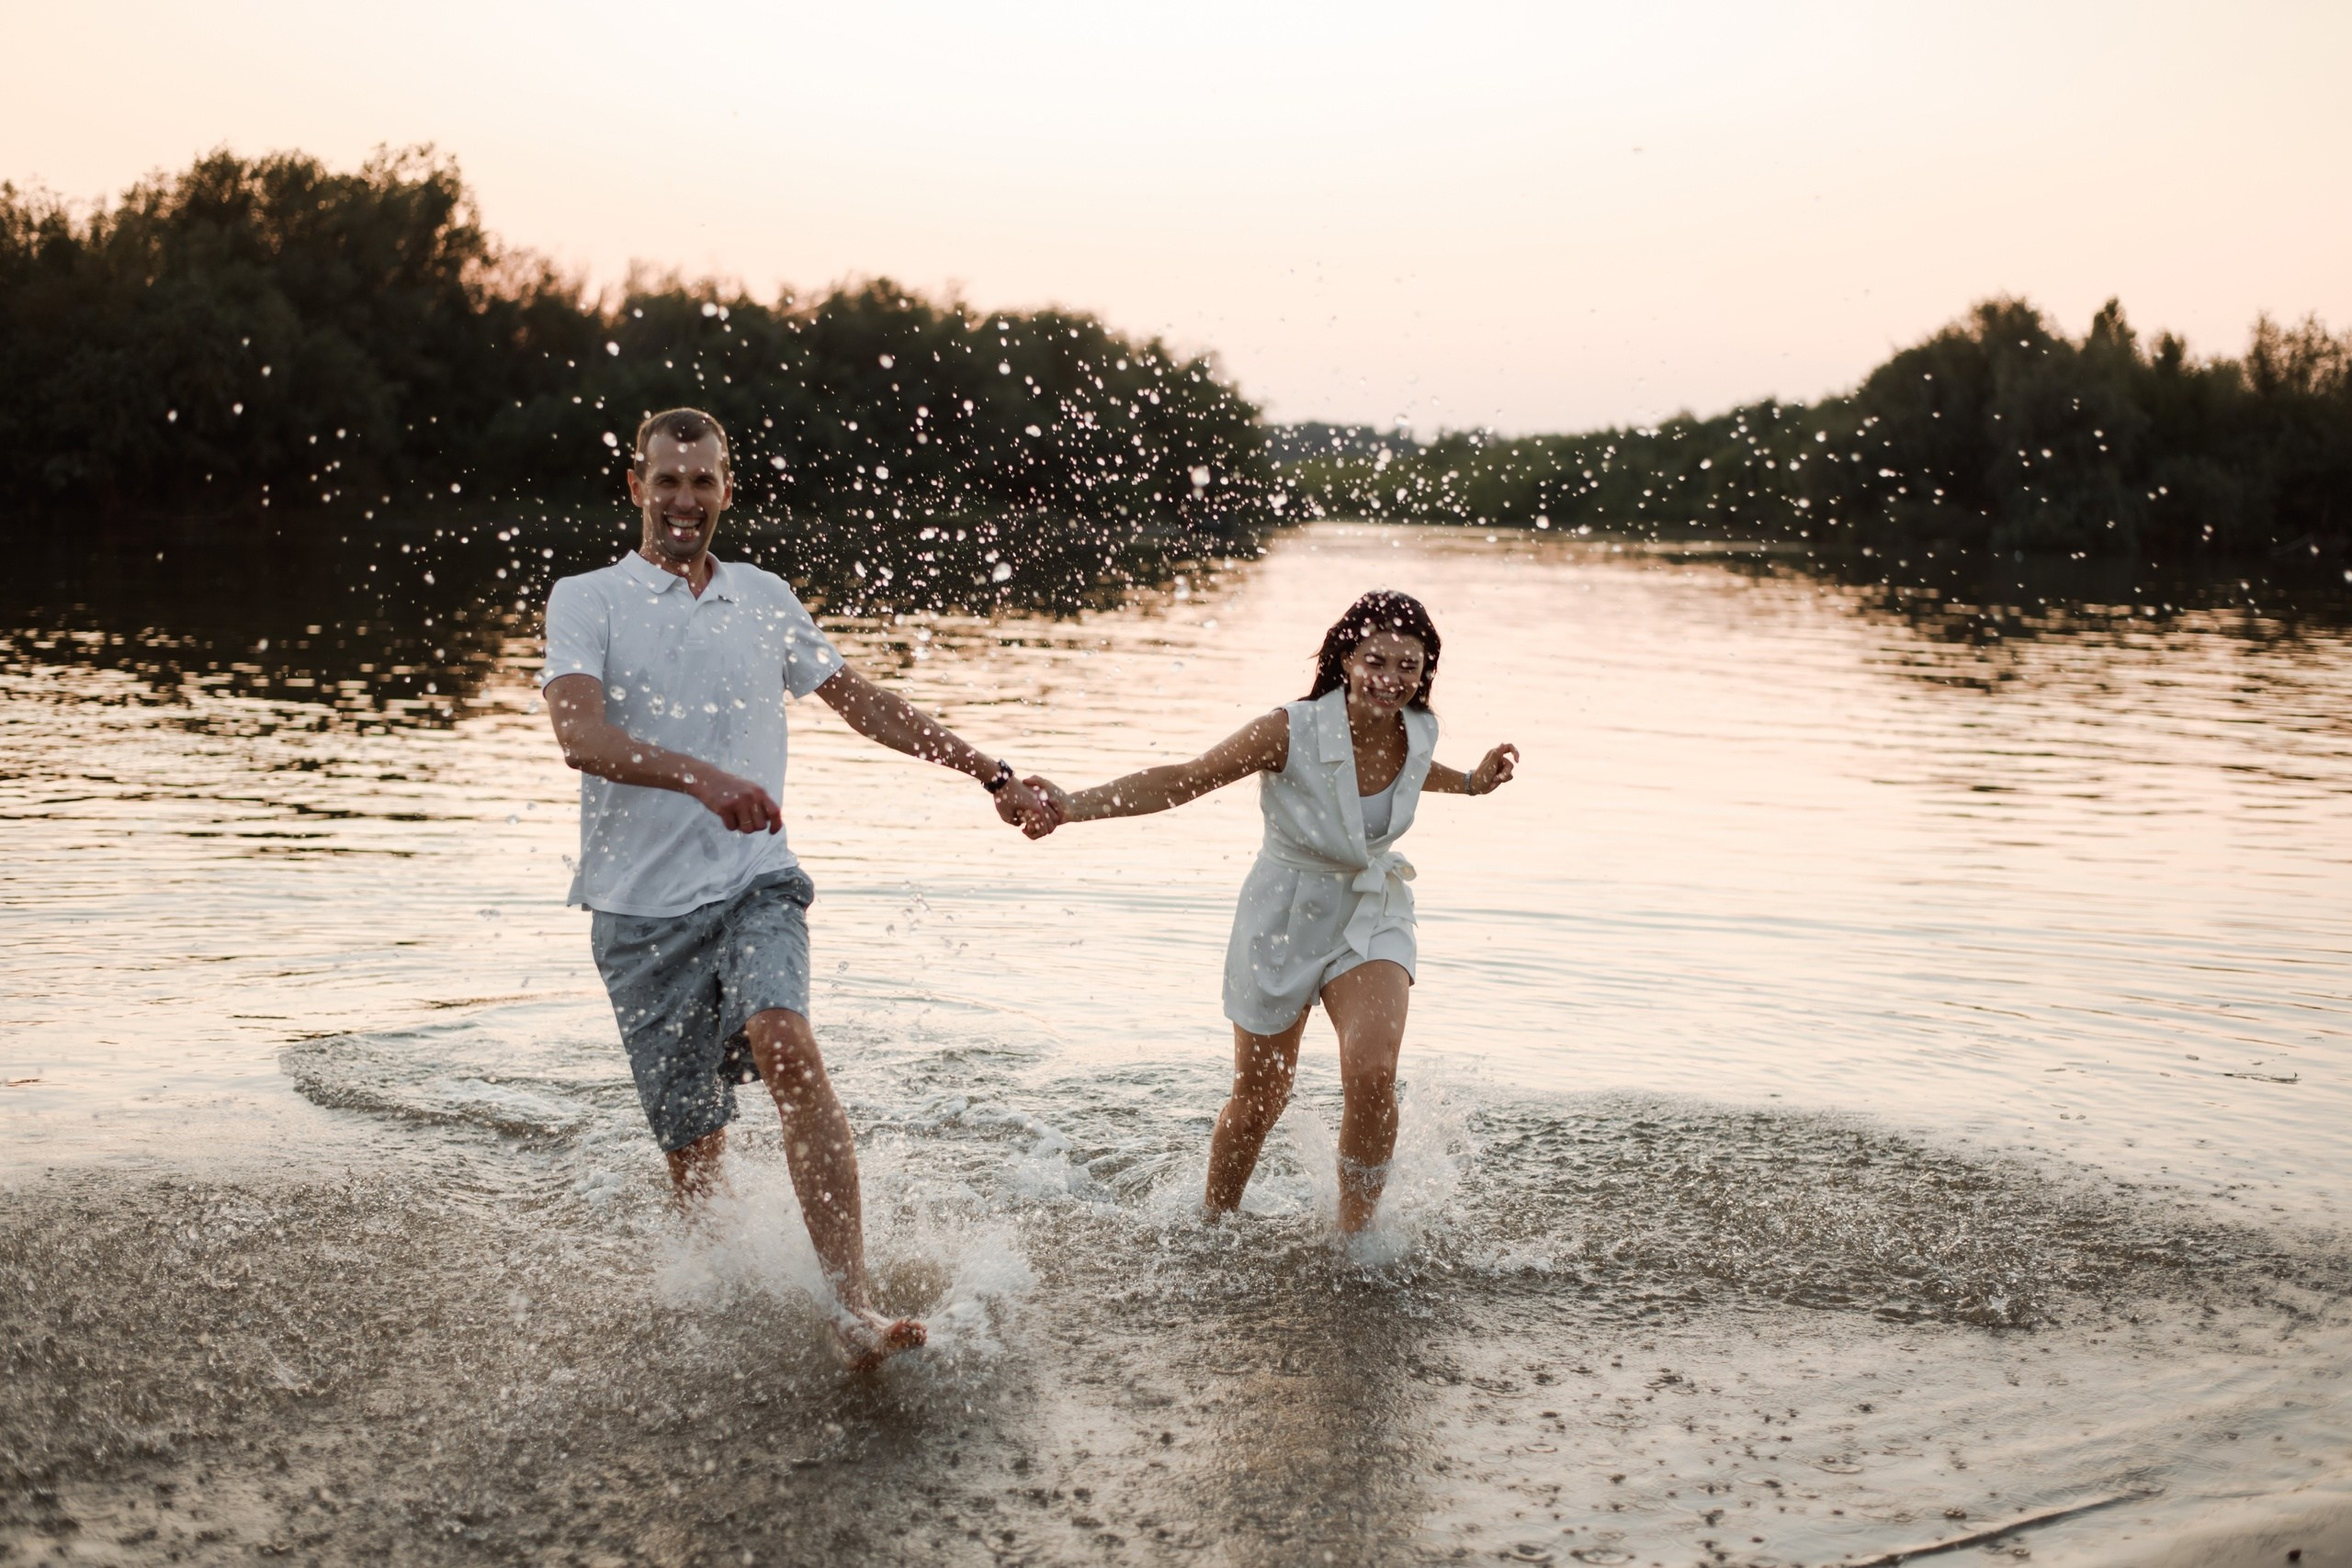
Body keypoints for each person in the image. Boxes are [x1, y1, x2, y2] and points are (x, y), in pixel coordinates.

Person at [541, 407, 1053, 1370]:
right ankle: (715, 1285)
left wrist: (991, 772)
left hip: (754, 881)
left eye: (702, 481)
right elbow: (580, 737)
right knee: (695, 1147)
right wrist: (701, 776)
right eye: (667, 480)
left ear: (728, 489)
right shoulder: (587, 599)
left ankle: (850, 1303)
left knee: (787, 1043)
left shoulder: (766, 597)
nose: (683, 499)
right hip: (637, 914)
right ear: (635, 487)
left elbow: (863, 704)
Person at [1024, 591, 1517, 1233]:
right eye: (1376, 661)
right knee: (1260, 1100)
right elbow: (1184, 778)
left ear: (1426, 671)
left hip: (1370, 908)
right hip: (1281, 914)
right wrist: (1073, 805)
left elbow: (1412, 769)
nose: (1391, 679)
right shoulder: (1290, 728)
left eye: (1408, 666)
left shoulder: (1418, 729)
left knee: (1373, 1072)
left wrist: (1474, 783)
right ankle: (1214, 1220)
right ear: (1345, 658)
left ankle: (1355, 1236)